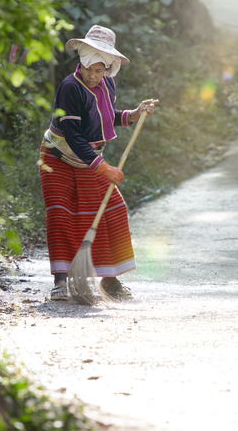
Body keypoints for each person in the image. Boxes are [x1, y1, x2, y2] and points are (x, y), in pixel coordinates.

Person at [39, 25, 158, 301]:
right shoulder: (70, 87)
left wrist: (134, 114)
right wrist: (104, 168)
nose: (94, 75)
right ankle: (60, 281)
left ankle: (110, 279)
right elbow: (74, 135)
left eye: (100, 69)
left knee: (113, 209)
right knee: (61, 213)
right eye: (90, 68)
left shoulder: (107, 83)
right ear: (81, 61)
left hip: (89, 160)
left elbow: (106, 116)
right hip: (58, 159)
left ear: (108, 68)